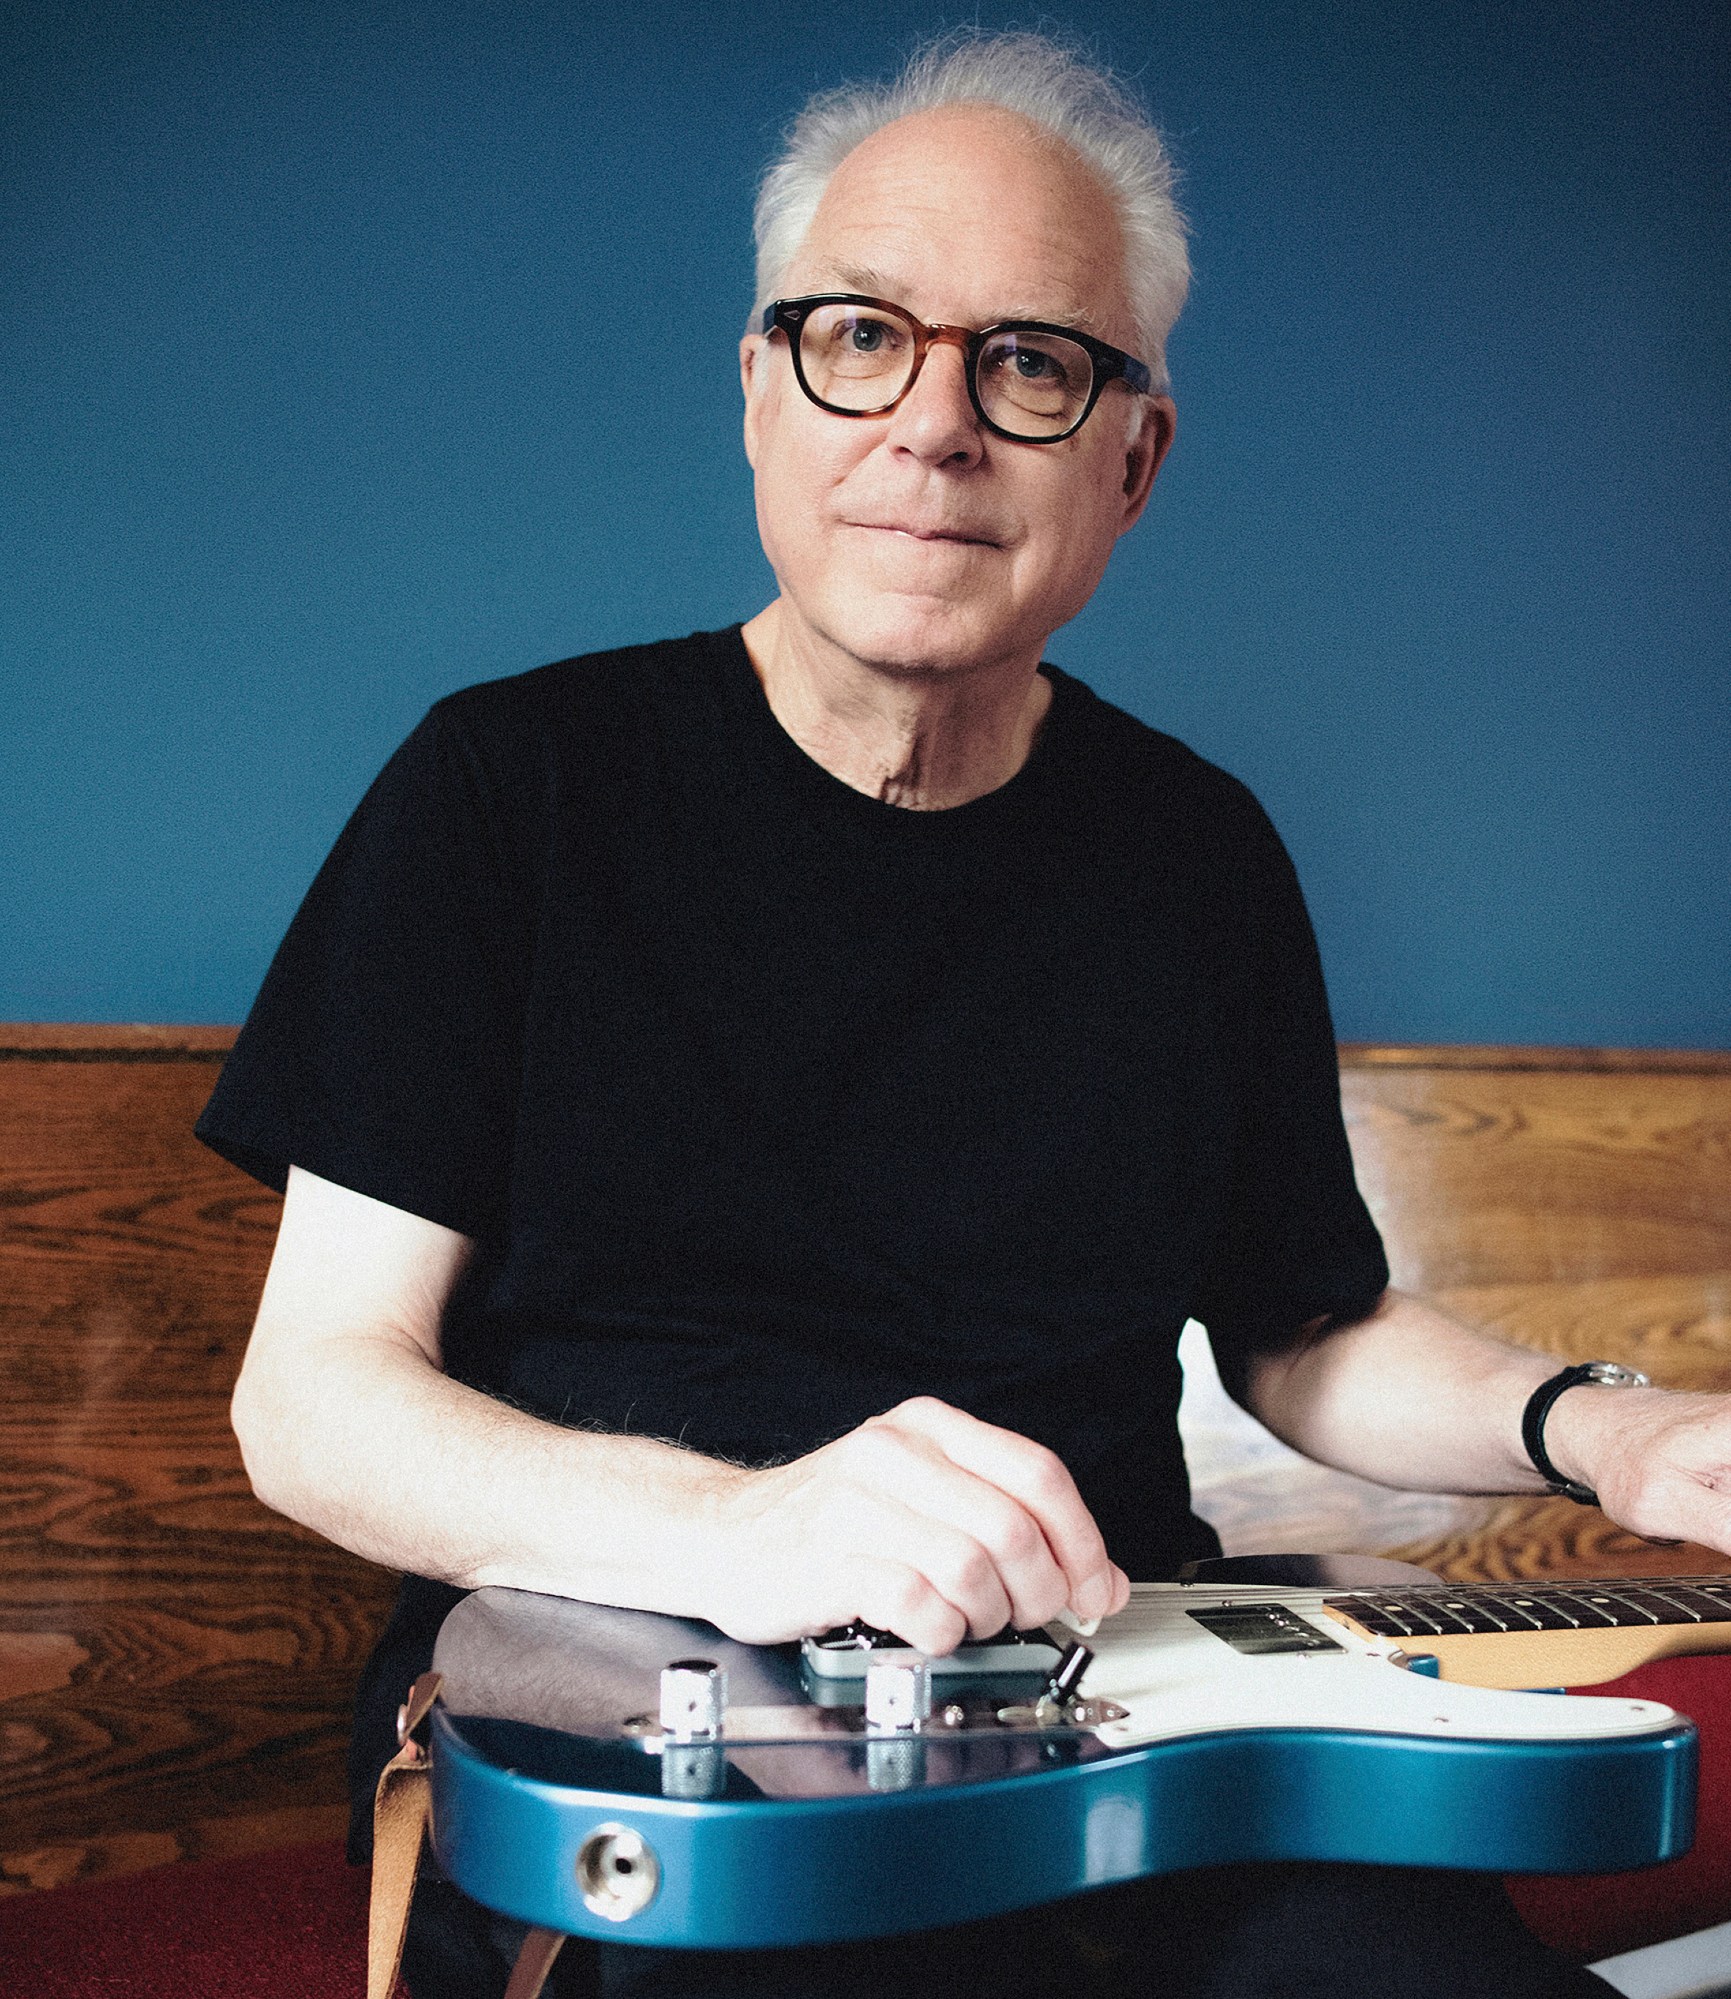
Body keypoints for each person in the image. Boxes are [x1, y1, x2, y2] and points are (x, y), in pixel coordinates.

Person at [197, 31, 1729, 1999]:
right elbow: (314, 1402)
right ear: (761, 395)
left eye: (1027, 363)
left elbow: (1304, 1332)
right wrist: (747, 1530)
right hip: (641, 1733)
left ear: (1131, 459)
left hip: (1128, 1717)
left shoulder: (1198, 851)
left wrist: (1608, 1429)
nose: (932, 428)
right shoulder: (507, 788)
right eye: (860, 337)